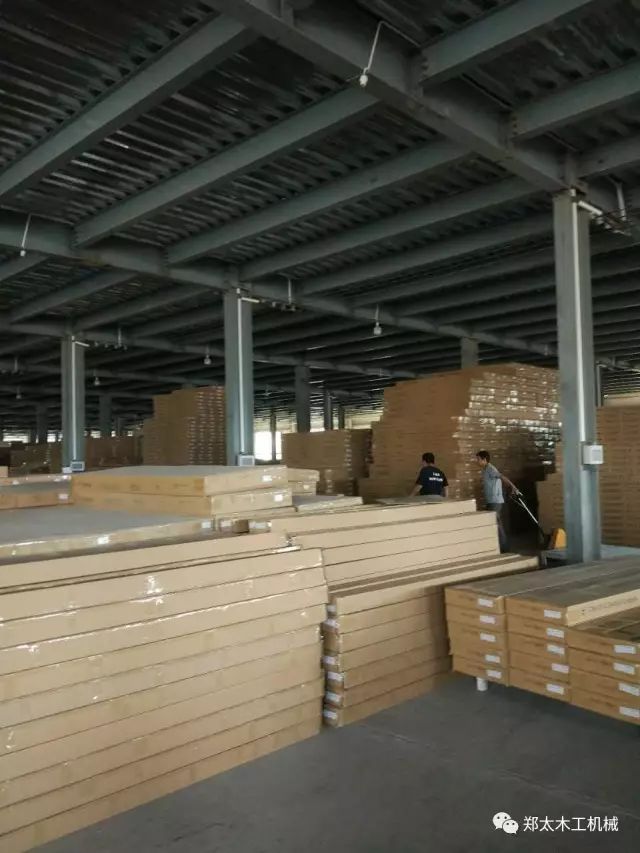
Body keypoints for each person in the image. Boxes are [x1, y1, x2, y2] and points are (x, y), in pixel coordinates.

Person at [475, 450, 520, 552]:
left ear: (484, 459)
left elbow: (502, 476)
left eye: (478, 459)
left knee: (497, 524)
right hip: (490, 501)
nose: (477, 461)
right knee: (492, 523)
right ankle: (495, 546)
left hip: (495, 501)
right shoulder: (485, 470)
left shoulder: (490, 469)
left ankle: (504, 548)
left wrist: (513, 487)